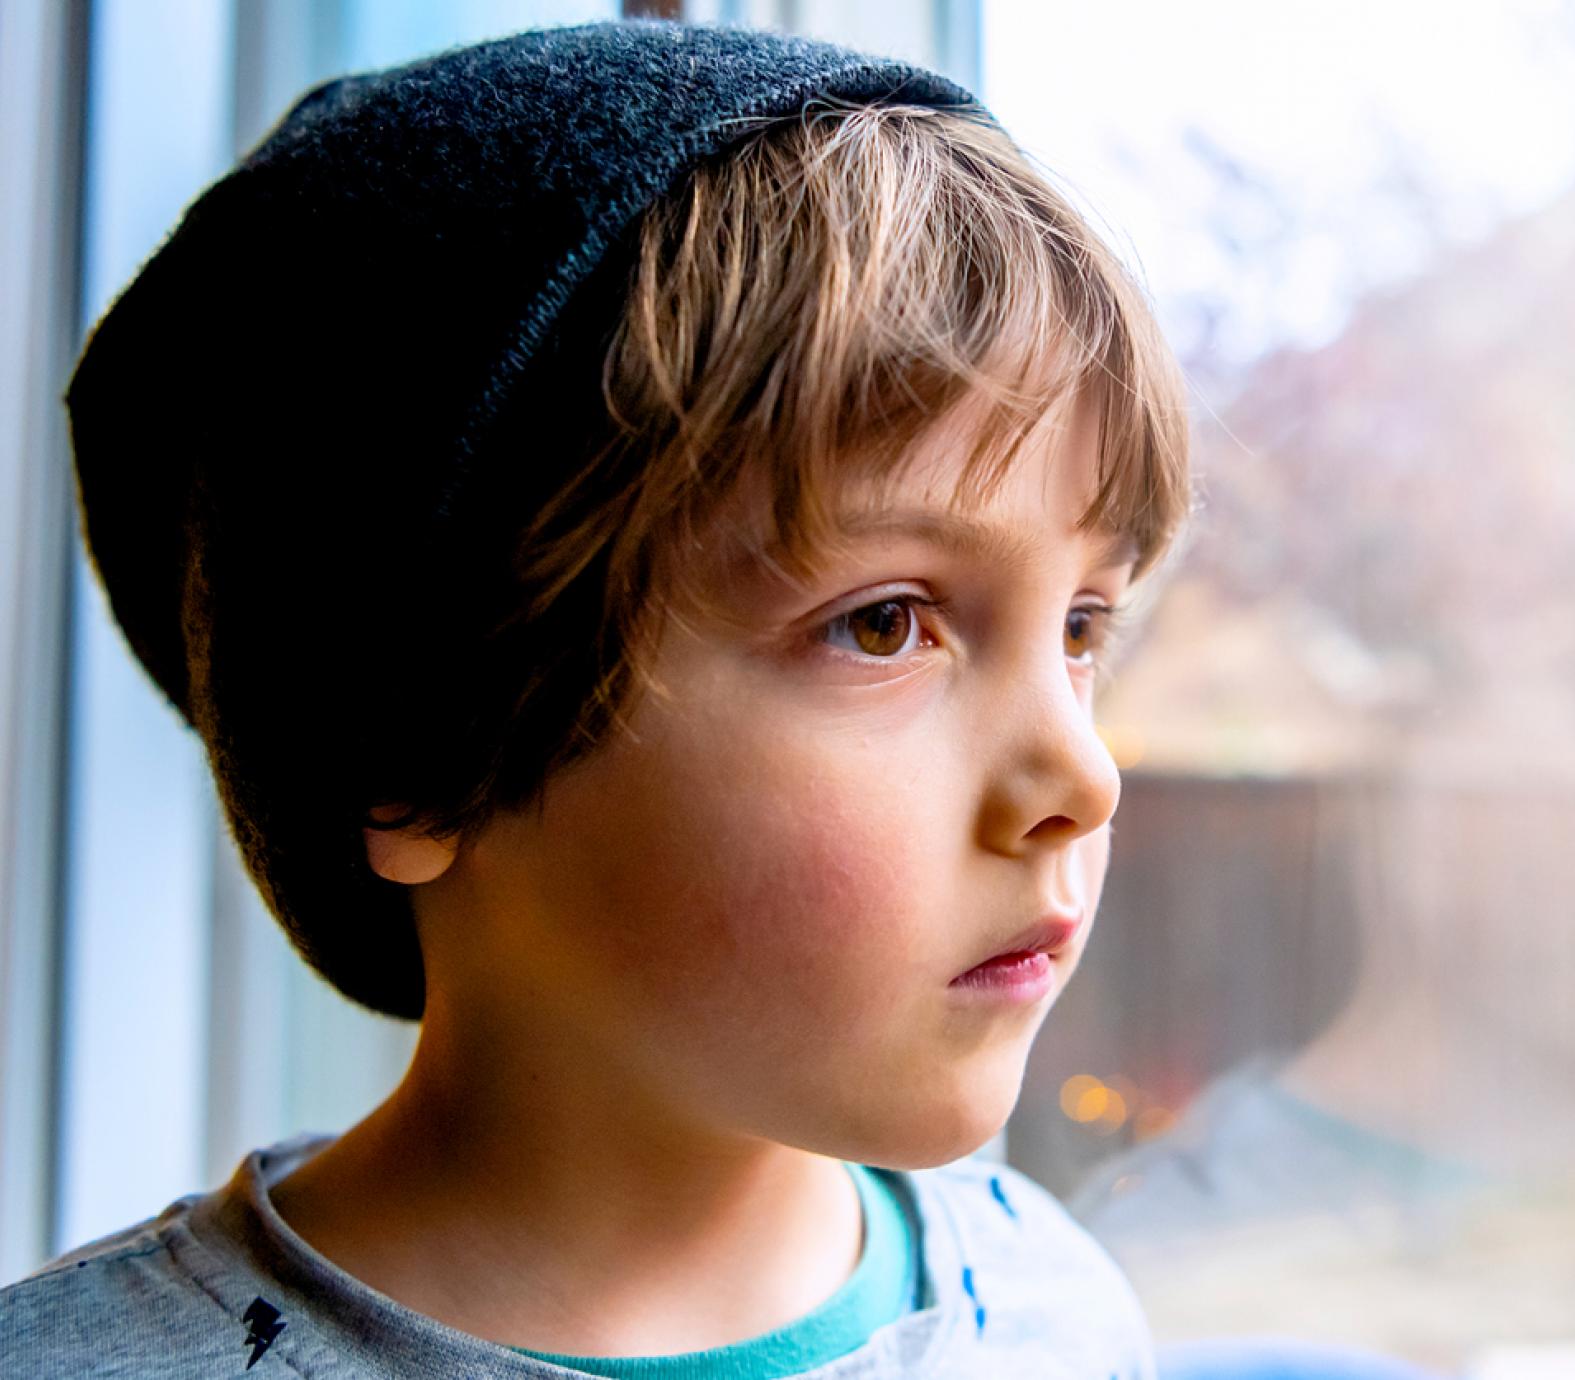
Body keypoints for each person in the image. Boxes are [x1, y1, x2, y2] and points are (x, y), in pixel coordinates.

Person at [0, 18, 1191, 1378]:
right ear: (420, 746)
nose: (1082, 778)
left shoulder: (1055, 1319)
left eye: (1083, 622)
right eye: (884, 623)